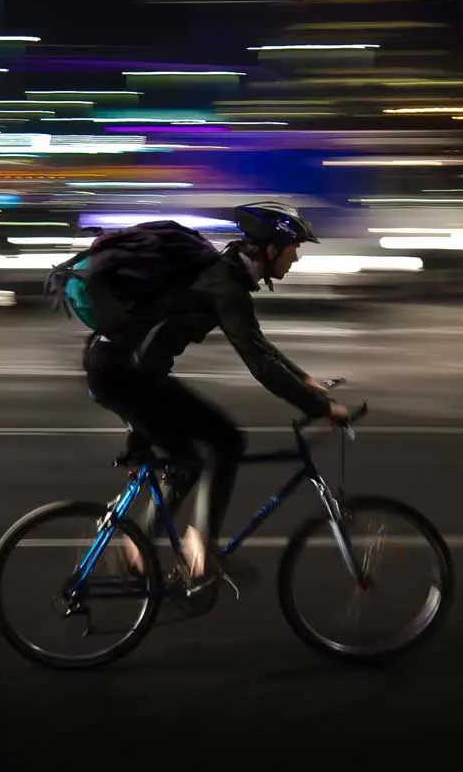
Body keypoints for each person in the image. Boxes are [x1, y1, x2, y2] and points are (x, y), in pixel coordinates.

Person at [82, 201, 351, 592]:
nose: (296, 258)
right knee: (226, 440)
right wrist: (320, 407)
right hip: (124, 375)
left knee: (186, 459)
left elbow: (258, 345)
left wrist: (305, 380)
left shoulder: (224, 276)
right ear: (271, 247)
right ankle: (199, 552)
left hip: (123, 370)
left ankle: (137, 547)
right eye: (294, 249)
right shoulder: (224, 284)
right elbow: (258, 363)